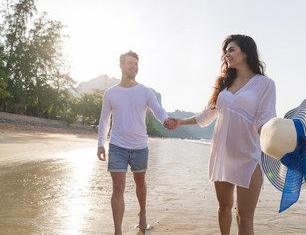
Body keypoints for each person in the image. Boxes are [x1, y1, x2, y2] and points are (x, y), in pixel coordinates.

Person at [165, 34, 276, 235]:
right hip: (222, 154)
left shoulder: (265, 85)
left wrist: (278, 141)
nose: (226, 54)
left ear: (245, 51)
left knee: (245, 219)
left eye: (231, 49)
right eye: (225, 51)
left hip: (249, 156)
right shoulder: (224, 85)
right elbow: (206, 116)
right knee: (224, 208)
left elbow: (265, 121)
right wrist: (180, 121)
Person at [97, 50, 174, 235]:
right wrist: (101, 143)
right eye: (130, 63)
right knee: (118, 186)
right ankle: (118, 231)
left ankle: (143, 214)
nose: (134, 66)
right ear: (121, 66)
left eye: (136, 64)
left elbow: (158, 110)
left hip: (140, 146)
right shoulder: (110, 93)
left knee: (140, 181)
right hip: (117, 145)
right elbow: (105, 120)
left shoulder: (145, 92)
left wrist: (165, 120)